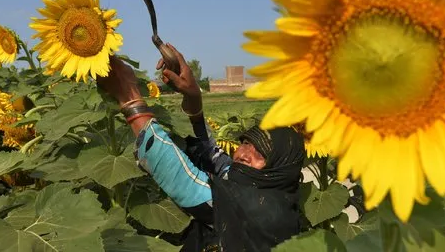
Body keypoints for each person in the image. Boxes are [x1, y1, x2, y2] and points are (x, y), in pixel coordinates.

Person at [97, 44, 307, 252]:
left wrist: (129, 95)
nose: (244, 154)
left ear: (279, 170)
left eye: (259, 153)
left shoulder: (266, 211)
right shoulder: (252, 182)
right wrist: (193, 98)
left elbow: (187, 184)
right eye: (245, 143)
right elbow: (213, 155)